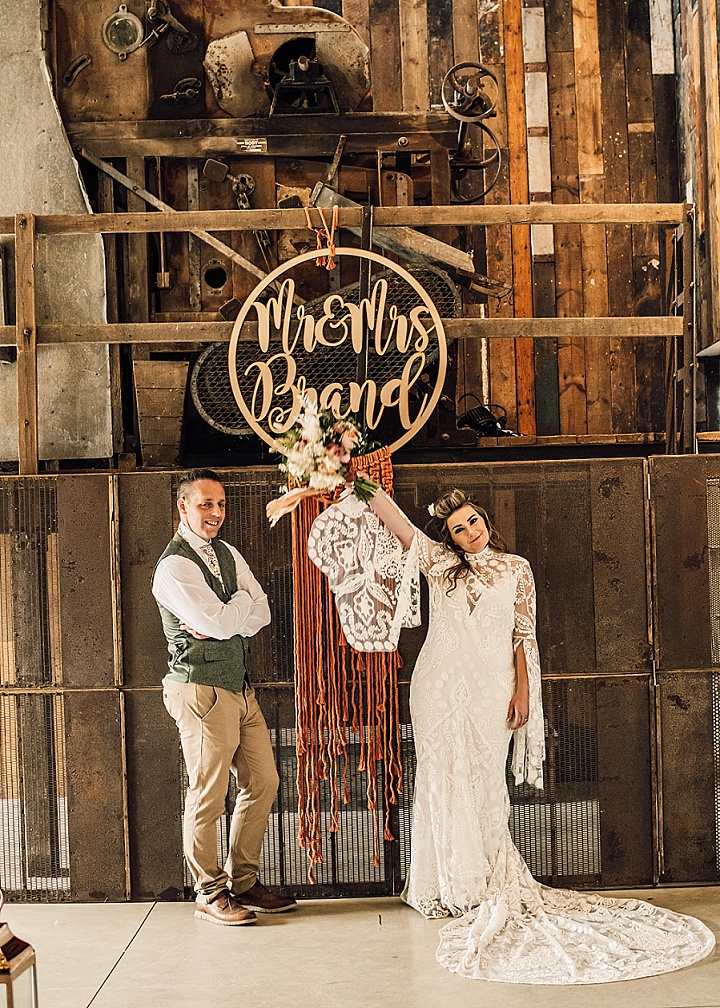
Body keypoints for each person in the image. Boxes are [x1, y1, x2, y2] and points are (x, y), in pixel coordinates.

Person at [319, 482, 715, 982]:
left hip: (493, 689)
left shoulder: (516, 568)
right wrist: (357, 480)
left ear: (485, 519)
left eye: (473, 522)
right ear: (450, 536)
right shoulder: (437, 564)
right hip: (437, 686)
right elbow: (395, 521)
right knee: (440, 778)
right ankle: (442, 885)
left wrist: (524, 692)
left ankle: (483, 880)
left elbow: (522, 635)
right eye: (457, 529)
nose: (468, 532)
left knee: (485, 781)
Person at [152, 468, 297, 925]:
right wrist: (235, 612)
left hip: (238, 686)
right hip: (199, 689)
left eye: (220, 505)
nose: (215, 513)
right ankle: (209, 892)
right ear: (183, 506)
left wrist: (227, 615)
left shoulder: (228, 552)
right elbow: (222, 622)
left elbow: (263, 611)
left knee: (264, 781)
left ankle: (245, 881)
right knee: (208, 794)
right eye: (205, 505)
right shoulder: (174, 566)